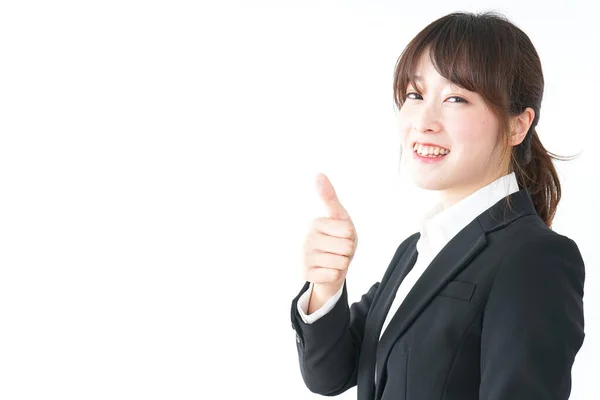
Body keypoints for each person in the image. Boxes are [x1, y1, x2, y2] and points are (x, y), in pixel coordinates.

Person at [289, 11, 585, 400]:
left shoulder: (535, 257)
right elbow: (330, 374)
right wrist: (326, 286)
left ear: (517, 125)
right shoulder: (417, 248)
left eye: (456, 98)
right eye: (415, 94)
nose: (423, 121)